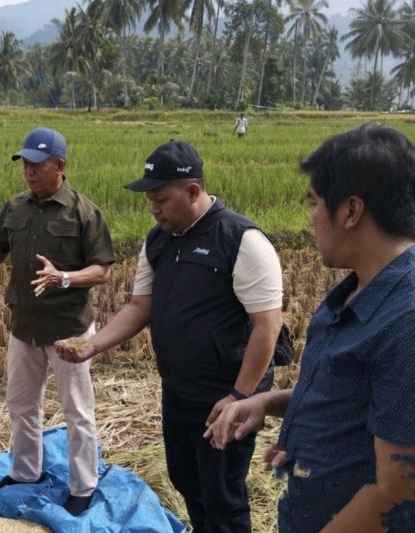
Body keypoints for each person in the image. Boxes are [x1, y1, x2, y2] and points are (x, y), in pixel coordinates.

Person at [56, 139, 283, 532]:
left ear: (192, 191)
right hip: (179, 390)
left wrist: (239, 398)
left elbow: (267, 326)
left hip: (225, 396)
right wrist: (91, 346)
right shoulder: (158, 241)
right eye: (150, 200)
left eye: (160, 199)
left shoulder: (241, 240)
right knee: (187, 480)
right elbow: (139, 307)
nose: (153, 209)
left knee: (222, 495)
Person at [205, 122, 415, 532]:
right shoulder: (355, 292)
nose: (310, 218)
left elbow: (397, 489)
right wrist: (267, 405)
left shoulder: (405, 323)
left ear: (351, 211)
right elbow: (345, 393)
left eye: (315, 203)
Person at [0, 127, 115, 516]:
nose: (29, 172)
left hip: (69, 330)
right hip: (24, 328)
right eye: (25, 164)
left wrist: (64, 277)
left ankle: (84, 485)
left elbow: (102, 271)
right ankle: (25, 471)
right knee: (21, 404)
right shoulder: (15, 207)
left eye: (38, 165)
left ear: (59, 166)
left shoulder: (83, 212)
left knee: (77, 411)